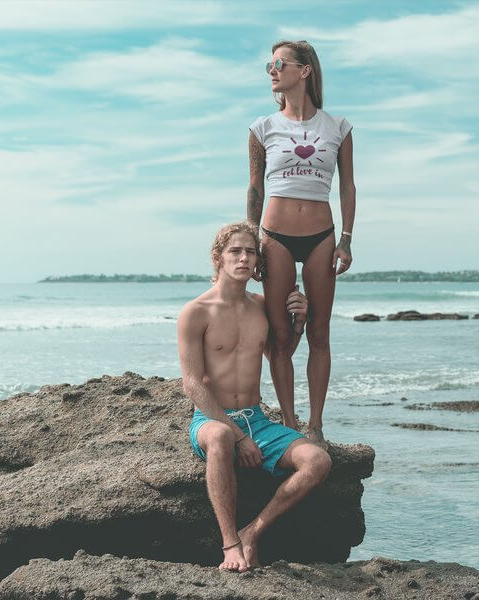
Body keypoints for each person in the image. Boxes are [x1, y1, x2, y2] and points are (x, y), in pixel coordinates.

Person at [177, 221, 332, 573]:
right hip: (212, 418)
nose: (244, 258)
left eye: (250, 252)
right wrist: (237, 436)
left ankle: (252, 533)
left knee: (318, 461)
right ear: (218, 258)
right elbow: (192, 384)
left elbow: (280, 355)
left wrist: (298, 324)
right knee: (219, 438)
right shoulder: (195, 312)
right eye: (236, 251)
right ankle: (230, 543)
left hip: (256, 418)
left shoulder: (261, 306)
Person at [247, 40, 356, 444]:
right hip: (274, 237)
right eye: (268, 64)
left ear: (304, 70)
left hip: (322, 238)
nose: (271, 71)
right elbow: (255, 189)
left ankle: (317, 426)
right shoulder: (262, 128)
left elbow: (348, 186)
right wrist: (252, 238)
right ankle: (290, 425)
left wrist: (345, 238)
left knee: (320, 333)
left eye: (278, 63)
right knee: (279, 335)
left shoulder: (338, 127)